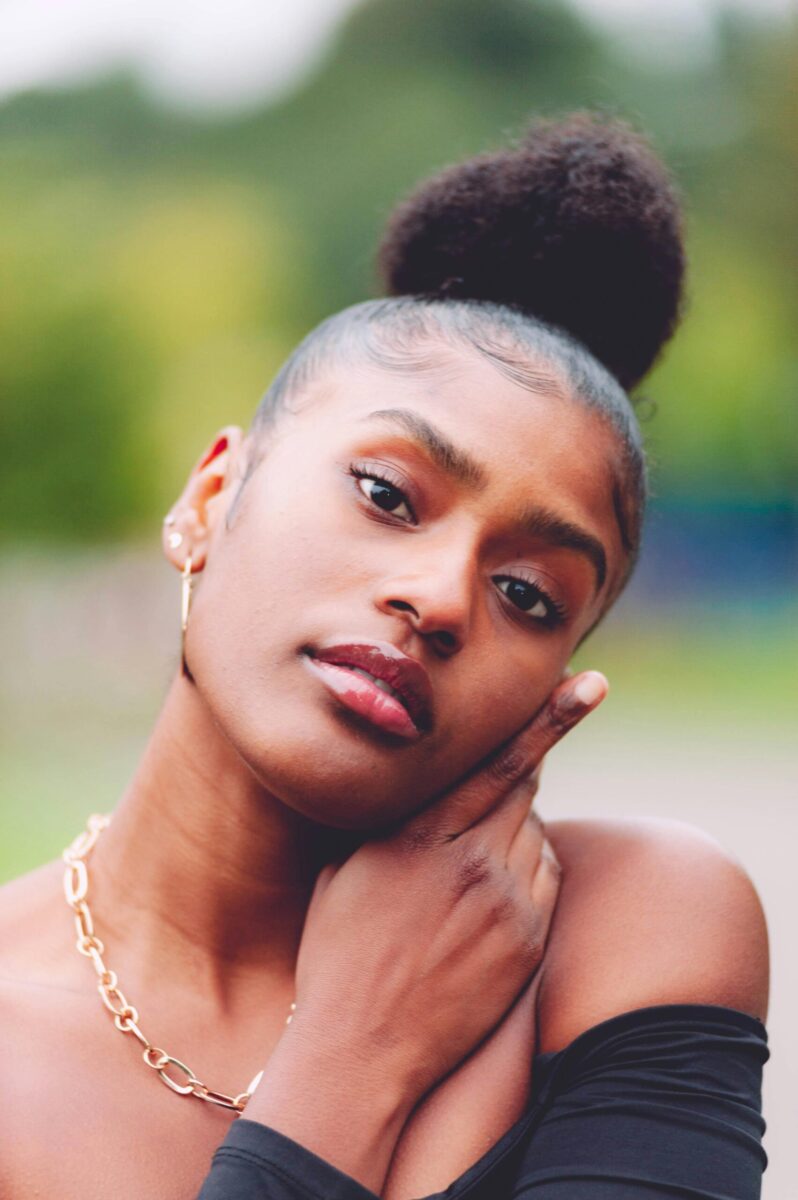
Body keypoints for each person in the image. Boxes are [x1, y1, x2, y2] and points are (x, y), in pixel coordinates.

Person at [0, 113, 769, 1199]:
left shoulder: (628, 930)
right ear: (211, 498)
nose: (443, 597)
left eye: (528, 594)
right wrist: (351, 1059)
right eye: (387, 495)